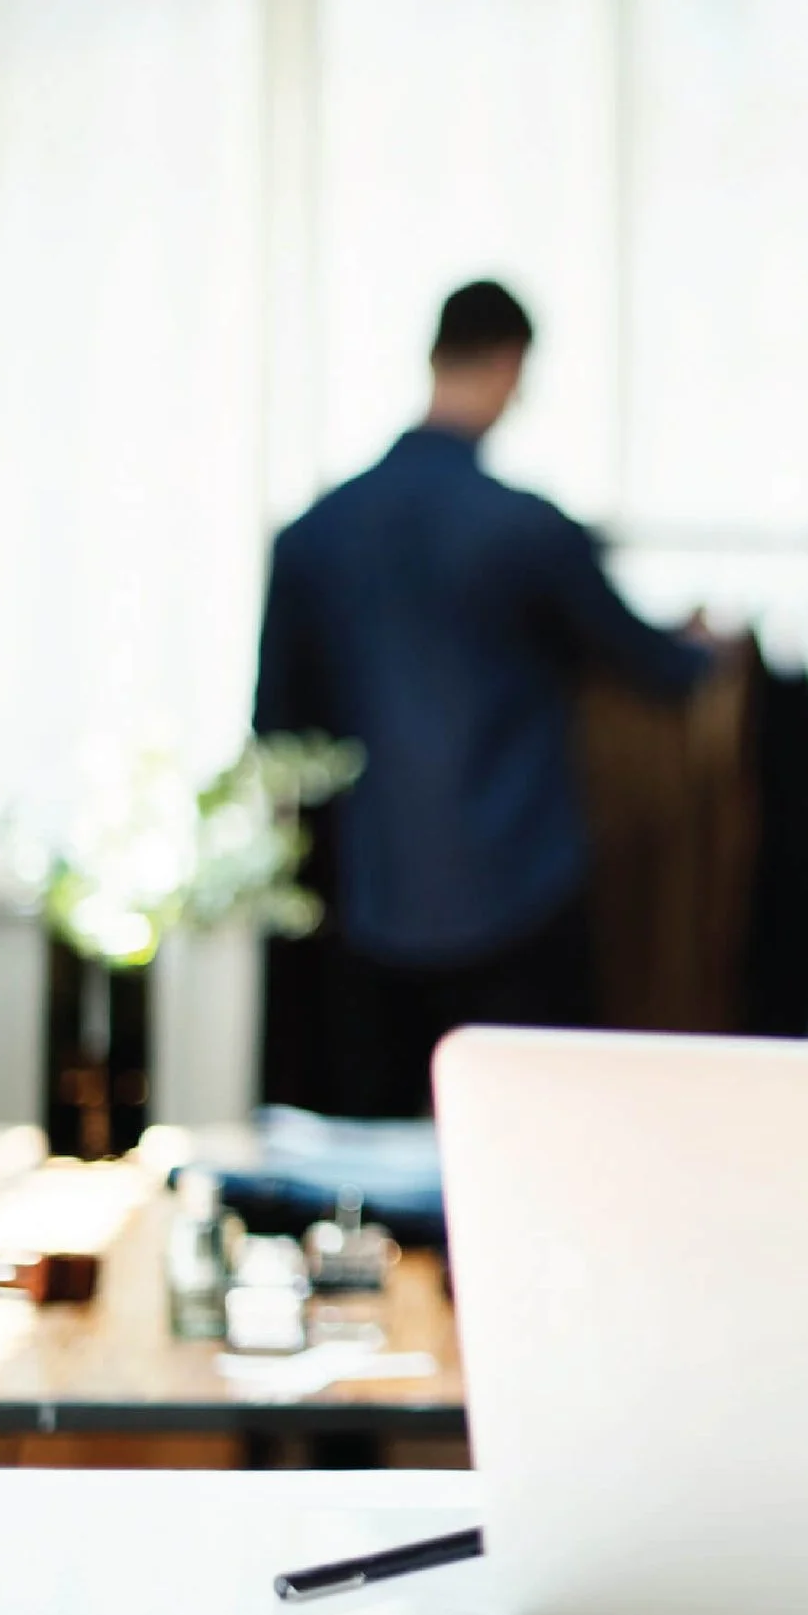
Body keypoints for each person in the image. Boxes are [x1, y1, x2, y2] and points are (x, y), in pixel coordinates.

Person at [254, 279, 711, 1116]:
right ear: (511, 365)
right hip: (520, 895)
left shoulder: (313, 535)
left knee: (374, 1178)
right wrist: (702, 642)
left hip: (366, 902)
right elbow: (660, 672)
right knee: (524, 1153)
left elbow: (275, 733)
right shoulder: (530, 531)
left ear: (434, 357)